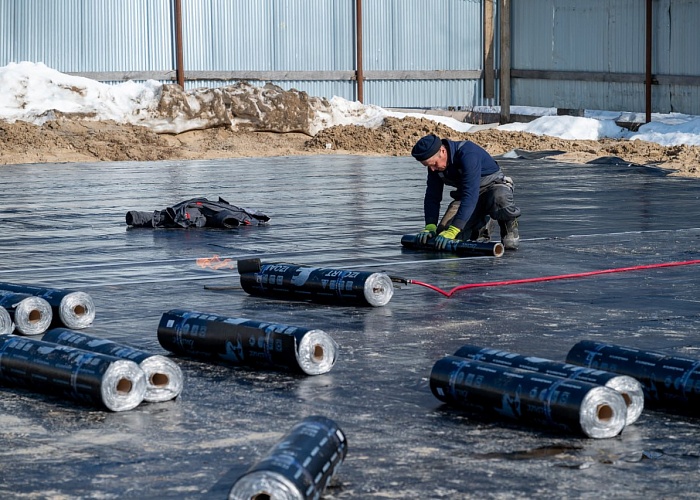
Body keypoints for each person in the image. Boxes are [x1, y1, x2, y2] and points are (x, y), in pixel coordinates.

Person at [411, 133, 521, 250]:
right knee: (443, 235)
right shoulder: (434, 167)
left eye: (434, 164)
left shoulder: (468, 153)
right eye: (428, 166)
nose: (432, 169)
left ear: (442, 151)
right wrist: (430, 225)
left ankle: (508, 224)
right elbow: (432, 196)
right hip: (469, 196)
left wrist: (455, 228)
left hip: (492, 188)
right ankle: (481, 225)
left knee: (500, 198)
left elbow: (470, 194)